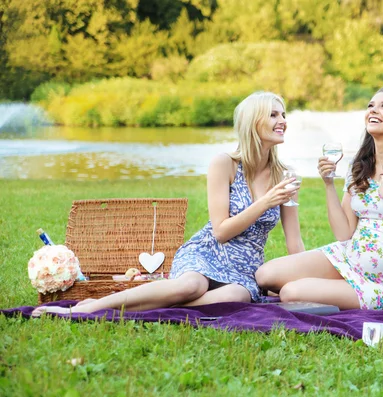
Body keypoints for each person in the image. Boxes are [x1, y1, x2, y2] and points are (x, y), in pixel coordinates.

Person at [33, 91, 304, 316]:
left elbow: (294, 243)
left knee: (237, 297)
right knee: (190, 286)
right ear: (252, 122)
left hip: (245, 268)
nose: (282, 120)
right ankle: (92, 308)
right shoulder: (225, 164)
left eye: (282, 114)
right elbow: (220, 232)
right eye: (273, 114)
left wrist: (302, 282)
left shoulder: (286, 176)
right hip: (207, 252)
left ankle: (143, 309)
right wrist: (265, 202)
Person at [256, 83, 383, 310]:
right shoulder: (360, 165)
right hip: (346, 258)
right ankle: (330, 289)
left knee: (291, 292)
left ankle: (327, 292)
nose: (373, 110)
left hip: (382, 284)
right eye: (371, 105)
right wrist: (329, 183)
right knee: (265, 275)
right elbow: (344, 232)